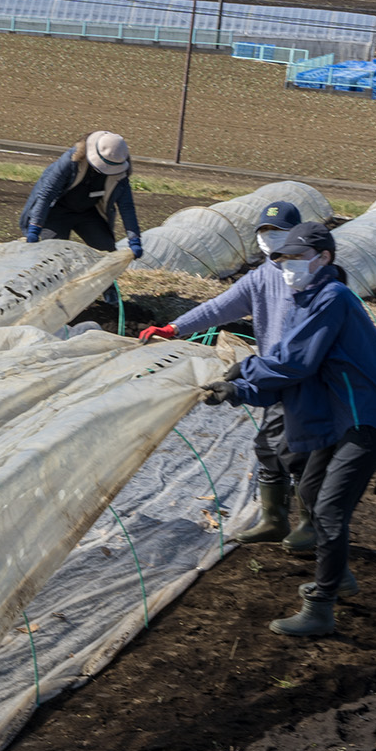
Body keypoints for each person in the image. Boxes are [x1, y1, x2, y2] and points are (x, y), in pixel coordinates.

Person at [200, 223, 376, 637]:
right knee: (310, 490)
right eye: (283, 260)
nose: (287, 267)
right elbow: (292, 376)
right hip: (340, 416)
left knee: (328, 510)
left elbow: (294, 364)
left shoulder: (332, 298)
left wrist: (246, 368)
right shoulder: (307, 300)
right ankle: (339, 576)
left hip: (365, 417)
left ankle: (321, 606)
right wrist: (238, 390)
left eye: (295, 258)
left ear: (323, 257)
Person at [138, 200, 310, 546]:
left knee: (300, 449)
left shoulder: (307, 277)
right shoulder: (261, 278)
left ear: (296, 235)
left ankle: (312, 526)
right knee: (268, 446)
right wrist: (173, 328)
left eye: (278, 232)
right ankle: (274, 520)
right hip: (274, 373)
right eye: (264, 231)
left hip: (306, 375)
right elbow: (219, 307)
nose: (269, 238)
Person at [19, 131, 144, 260]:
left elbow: (126, 206)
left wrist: (134, 240)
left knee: (107, 253)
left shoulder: (120, 174)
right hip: (56, 212)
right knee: (54, 255)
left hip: (88, 213)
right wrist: (35, 227)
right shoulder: (71, 160)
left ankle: (107, 281)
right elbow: (47, 193)